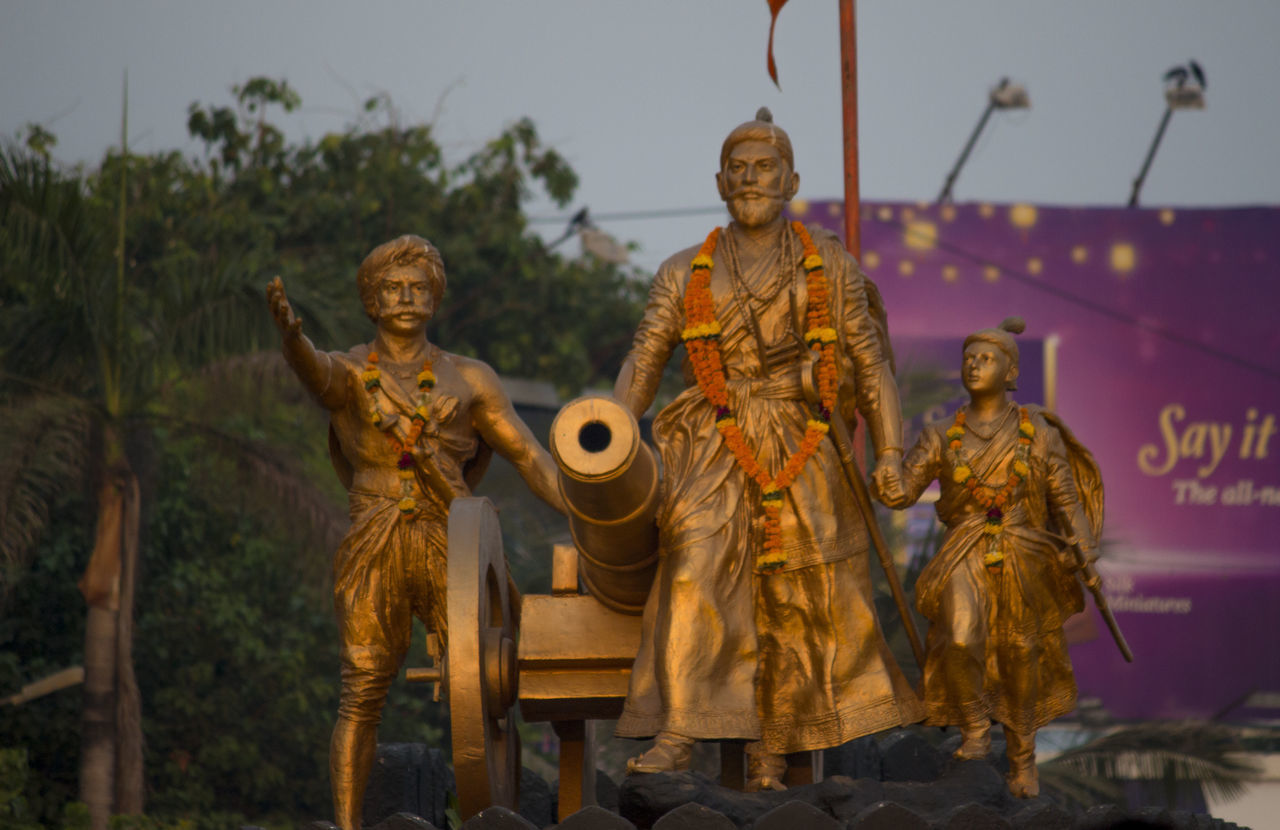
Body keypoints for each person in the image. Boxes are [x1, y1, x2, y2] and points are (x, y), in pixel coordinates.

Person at [611, 109, 923, 790]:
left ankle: (774, 750)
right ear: (720, 181)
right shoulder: (681, 271)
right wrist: (611, 432)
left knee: (794, 592)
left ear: (792, 180)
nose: (751, 180)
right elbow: (644, 358)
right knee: (692, 564)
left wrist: (892, 456)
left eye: (765, 168)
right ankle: (681, 729)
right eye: (739, 169)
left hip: (802, 440)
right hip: (713, 440)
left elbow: (869, 365)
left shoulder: (827, 265)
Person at [266, 235, 565, 829]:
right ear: (371, 302)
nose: (406, 298)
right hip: (374, 531)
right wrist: (293, 341)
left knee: (481, 686)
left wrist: (586, 508)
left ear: (435, 299)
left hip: (449, 535)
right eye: (392, 288)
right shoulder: (352, 371)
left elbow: (529, 458)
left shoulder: (470, 379)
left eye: (418, 287)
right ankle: (348, 824)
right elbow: (320, 378)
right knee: (361, 685)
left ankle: (493, 812)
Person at [876, 318, 1103, 797]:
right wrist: (886, 473)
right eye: (968, 358)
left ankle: (1022, 759)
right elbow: (903, 491)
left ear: (1011, 372)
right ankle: (975, 729)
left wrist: (1084, 545)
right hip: (964, 548)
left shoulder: (1038, 433)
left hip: (1025, 551)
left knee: (1022, 653)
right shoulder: (940, 434)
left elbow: (1064, 498)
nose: (973, 365)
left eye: (986, 358)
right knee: (960, 639)